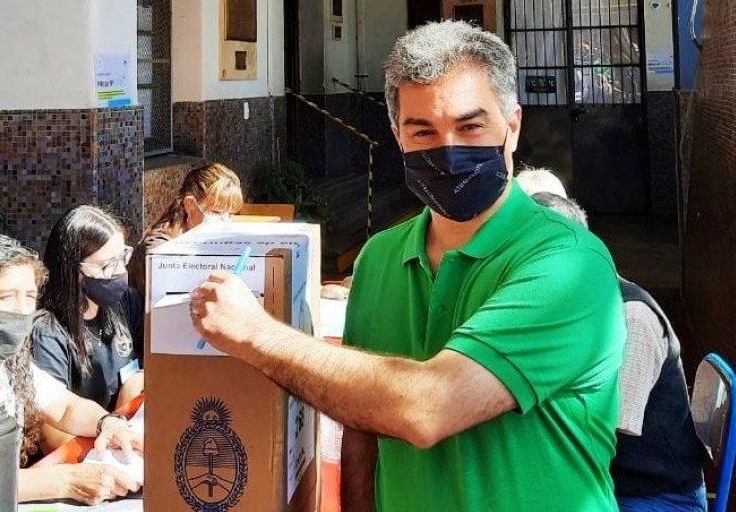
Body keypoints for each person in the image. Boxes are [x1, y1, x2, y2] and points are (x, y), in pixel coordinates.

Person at [190, 20, 626, 511]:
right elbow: (361, 433)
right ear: (398, 136)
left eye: (470, 126)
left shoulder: (570, 265)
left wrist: (256, 334)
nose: (449, 151)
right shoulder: (379, 257)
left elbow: (429, 406)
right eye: (424, 131)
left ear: (513, 125)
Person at [528, 191, 708, 512]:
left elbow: (608, 428)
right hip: (610, 481)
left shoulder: (632, 316)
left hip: (656, 496)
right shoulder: (569, 307)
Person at [0, 236, 142, 507]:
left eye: (30, 297)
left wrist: (109, 424)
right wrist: (65, 480)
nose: (21, 311)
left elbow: (65, 408)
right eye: (7, 297)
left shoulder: (8, 362)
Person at [32, 205, 144, 414]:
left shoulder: (126, 302)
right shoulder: (48, 333)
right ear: (73, 271)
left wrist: (135, 382)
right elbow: (52, 422)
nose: (120, 271)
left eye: (123, 257)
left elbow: (156, 362)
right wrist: (112, 423)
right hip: (89, 432)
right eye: (107, 265)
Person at [129, 162, 244, 298]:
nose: (225, 221)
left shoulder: (207, 240)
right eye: (216, 212)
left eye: (230, 214)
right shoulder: (159, 249)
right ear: (190, 205)